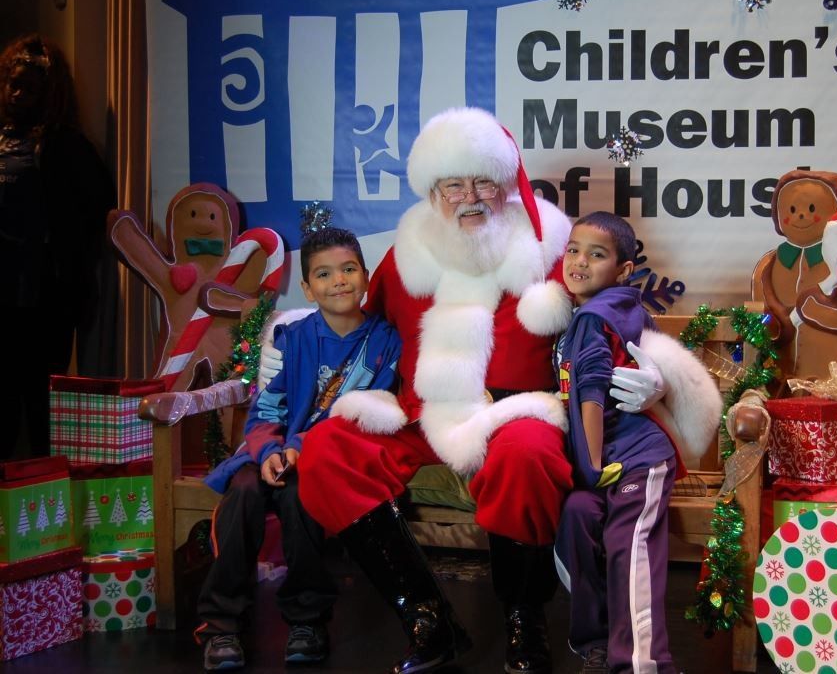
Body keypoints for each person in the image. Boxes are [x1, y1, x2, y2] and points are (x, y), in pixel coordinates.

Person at [289, 107, 722, 674]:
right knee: (327, 449)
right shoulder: (406, 255)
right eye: (452, 185)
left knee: (529, 455)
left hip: (520, 411)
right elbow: (361, 332)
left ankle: (525, 618)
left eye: (483, 182)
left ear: (506, 183)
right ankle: (427, 621)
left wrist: (659, 376)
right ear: (432, 191)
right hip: (424, 415)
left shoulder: (552, 247)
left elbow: (620, 320)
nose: (469, 197)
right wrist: (290, 374)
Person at [195, 227, 402, 671]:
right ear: (308, 288)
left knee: (300, 496)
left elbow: (366, 412)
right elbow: (267, 405)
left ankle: (307, 620)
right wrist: (270, 449)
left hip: (328, 458)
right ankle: (221, 624)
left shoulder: (386, 343)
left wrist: (301, 449)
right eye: (324, 274)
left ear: (366, 277)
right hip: (270, 452)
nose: (340, 281)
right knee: (245, 492)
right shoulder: (293, 337)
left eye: (349, 269)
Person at [553, 212, 681, 674]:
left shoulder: (593, 315)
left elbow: (590, 392)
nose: (580, 261)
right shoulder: (619, 308)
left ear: (624, 270)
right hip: (606, 459)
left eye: (597, 254)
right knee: (576, 516)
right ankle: (597, 643)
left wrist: (587, 468)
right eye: (573, 250)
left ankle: (643, 664)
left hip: (634, 460)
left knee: (629, 545)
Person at [0, 34, 114, 459]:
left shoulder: (66, 147)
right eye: (13, 83)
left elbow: (97, 211)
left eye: (28, 86)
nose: (17, 93)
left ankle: (40, 506)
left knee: (41, 398)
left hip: (44, 297)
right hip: (6, 293)